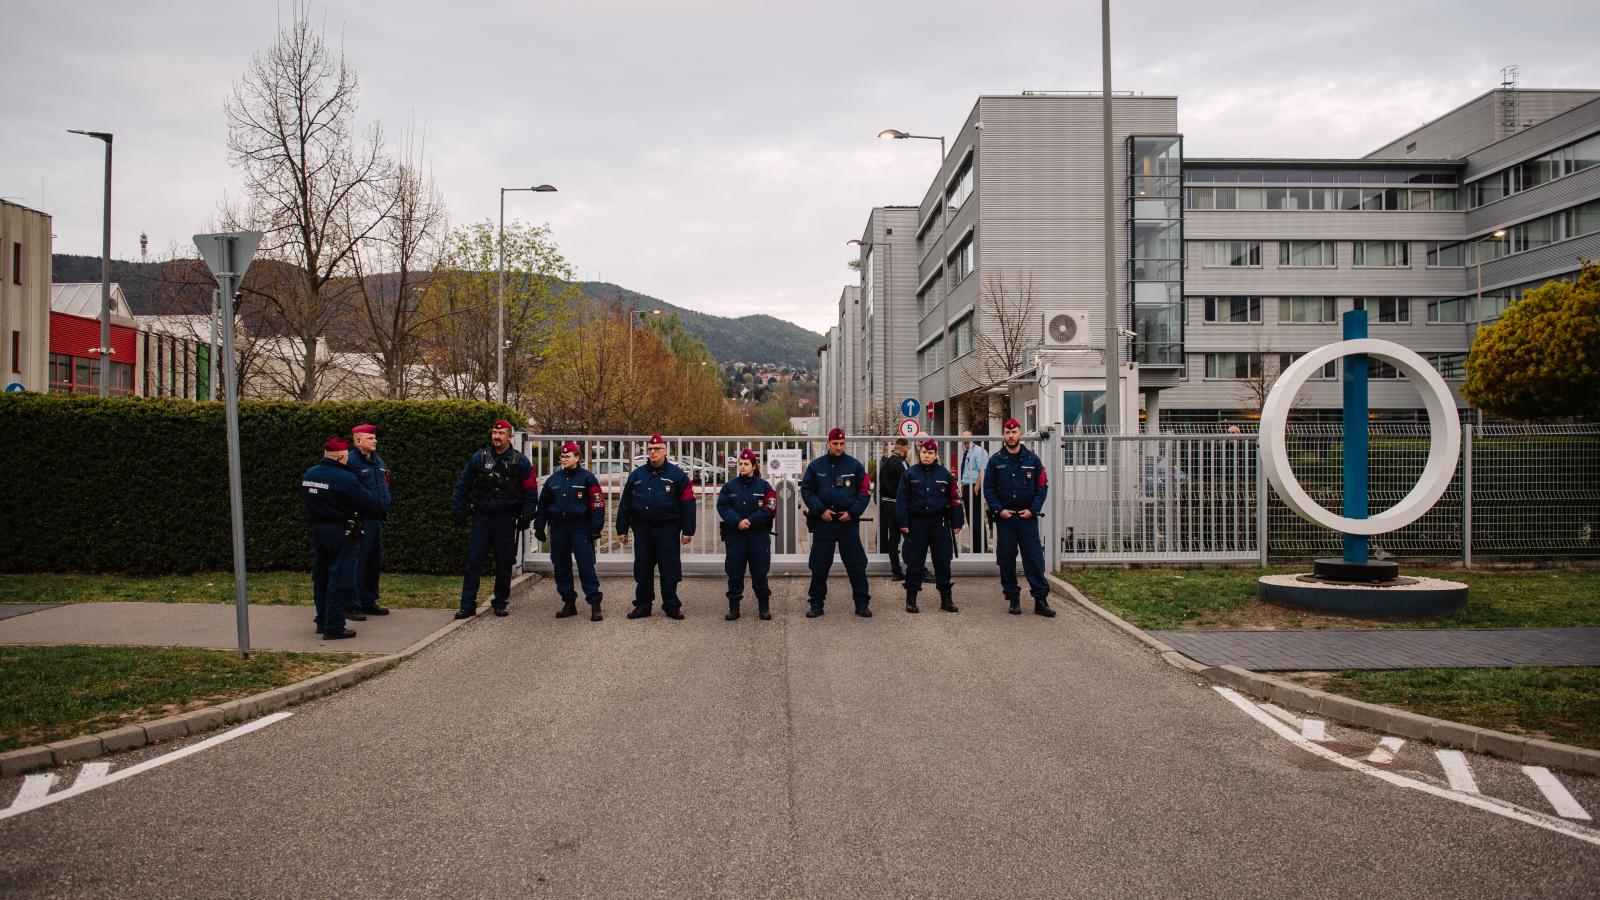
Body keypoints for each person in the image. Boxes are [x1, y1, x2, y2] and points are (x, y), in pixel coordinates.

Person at [451, 419, 538, 619]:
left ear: (510, 436)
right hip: (482, 517)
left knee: (504, 563)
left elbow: (530, 491)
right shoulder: (479, 458)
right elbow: (462, 485)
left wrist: (526, 516)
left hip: (506, 519)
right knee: (474, 561)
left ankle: (500, 603)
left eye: (501, 434)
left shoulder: (520, 461)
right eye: (494, 433)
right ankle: (467, 605)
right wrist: (458, 510)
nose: (496, 437)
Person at [298, 437, 382, 640]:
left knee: (322, 576)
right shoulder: (345, 478)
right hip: (341, 531)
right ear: (341, 456)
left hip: (319, 528)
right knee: (341, 577)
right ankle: (334, 626)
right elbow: (367, 502)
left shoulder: (310, 474)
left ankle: (322, 621)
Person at [617, 433, 696, 619]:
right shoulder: (637, 475)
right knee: (642, 568)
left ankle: (671, 605)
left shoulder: (677, 476)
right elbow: (625, 503)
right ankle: (643, 605)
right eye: (650, 449)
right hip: (642, 530)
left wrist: (688, 529)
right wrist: (621, 528)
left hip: (667, 530)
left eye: (657, 449)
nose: (653, 452)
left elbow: (688, 503)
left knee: (669, 569)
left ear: (665, 450)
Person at [983, 418, 1056, 617]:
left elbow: (1042, 486)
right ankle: (1013, 598)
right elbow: (988, 489)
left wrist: (1033, 510)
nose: (1011, 435)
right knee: (1006, 559)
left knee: (1034, 559)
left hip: (1027, 518)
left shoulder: (1032, 460)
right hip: (1005, 519)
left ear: (1020, 433)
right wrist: (999, 510)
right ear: (1004, 435)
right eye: (1007, 432)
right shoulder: (995, 460)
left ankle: (1040, 600)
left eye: (1014, 432)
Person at [799, 427, 873, 617]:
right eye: (835, 443)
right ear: (828, 444)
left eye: (841, 443)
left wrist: (852, 512)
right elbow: (806, 490)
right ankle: (816, 604)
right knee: (819, 565)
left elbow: (864, 492)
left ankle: (862, 603)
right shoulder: (816, 466)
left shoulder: (855, 466)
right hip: (825, 521)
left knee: (856, 565)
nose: (839, 447)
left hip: (847, 521)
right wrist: (820, 510)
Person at [535, 441, 606, 622]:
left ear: (577, 457)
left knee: (586, 566)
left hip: (580, 528)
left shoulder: (587, 478)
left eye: (567, 456)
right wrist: (539, 526)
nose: (564, 459)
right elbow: (543, 505)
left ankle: (595, 604)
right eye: (562, 456)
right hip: (558, 528)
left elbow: (597, 504)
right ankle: (568, 602)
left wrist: (596, 528)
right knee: (561, 567)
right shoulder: (553, 480)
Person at [897, 439, 964, 614]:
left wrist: (958, 522)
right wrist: (903, 522)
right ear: (920, 453)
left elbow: (955, 499)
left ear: (935, 455)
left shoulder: (945, 475)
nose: (926, 455)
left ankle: (946, 600)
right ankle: (911, 599)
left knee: (943, 562)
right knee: (914, 562)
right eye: (924, 452)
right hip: (916, 523)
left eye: (930, 453)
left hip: (939, 523)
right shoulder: (910, 474)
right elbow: (902, 500)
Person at [716, 448, 777, 621]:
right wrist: (737, 521)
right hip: (736, 535)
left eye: (746, 464)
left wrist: (751, 520)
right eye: (740, 464)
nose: (742, 466)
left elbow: (770, 507)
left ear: (754, 466)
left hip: (758, 535)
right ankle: (734, 608)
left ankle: (764, 607)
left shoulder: (764, 487)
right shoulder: (730, 486)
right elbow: (723, 506)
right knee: (734, 572)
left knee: (760, 572)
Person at [345, 423, 391, 620]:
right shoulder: (350, 461)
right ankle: (352, 604)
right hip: (361, 519)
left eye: (374, 437)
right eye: (370, 438)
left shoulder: (377, 461)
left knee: (373, 562)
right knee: (358, 562)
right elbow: (348, 490)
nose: (375, 441)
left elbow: (384, 484)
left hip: (377, 519)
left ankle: (368, 600)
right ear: (358, 441)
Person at [877, 439, 909, 581]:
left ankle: (896, 571)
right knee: (910, 537)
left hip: (886, 504)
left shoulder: (885, 463)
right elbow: (908, 482)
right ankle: (916, 568)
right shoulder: (901, 463)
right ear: (904, 449)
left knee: (893, 538)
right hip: (898, 504)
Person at [958, 430, 991, 553]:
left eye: (968, 437)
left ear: (973, 438)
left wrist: (976, 487)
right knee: (970, 518)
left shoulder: (979, 451)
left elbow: (983, 470)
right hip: (967, 487)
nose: (965, 440)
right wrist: (962, 486)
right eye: (963, 438)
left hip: (975, 488)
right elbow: (966, 471)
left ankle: (981, 548)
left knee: (977, 519)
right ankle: (976, 547)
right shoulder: (965, 452)